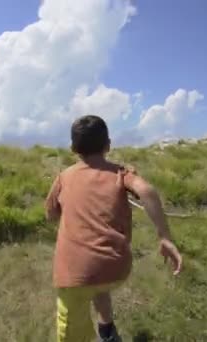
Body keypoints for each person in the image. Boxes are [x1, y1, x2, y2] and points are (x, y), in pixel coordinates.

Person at [45, 115, 182, 342]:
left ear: (73, 148)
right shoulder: (122, 173)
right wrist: (164, 237)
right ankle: (108, 333)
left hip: (74, 276)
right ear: (108, 145)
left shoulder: (64, 177)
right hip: (115, 268)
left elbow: (50, 215)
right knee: (100, 287)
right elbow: (147, 191)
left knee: (71, 327)